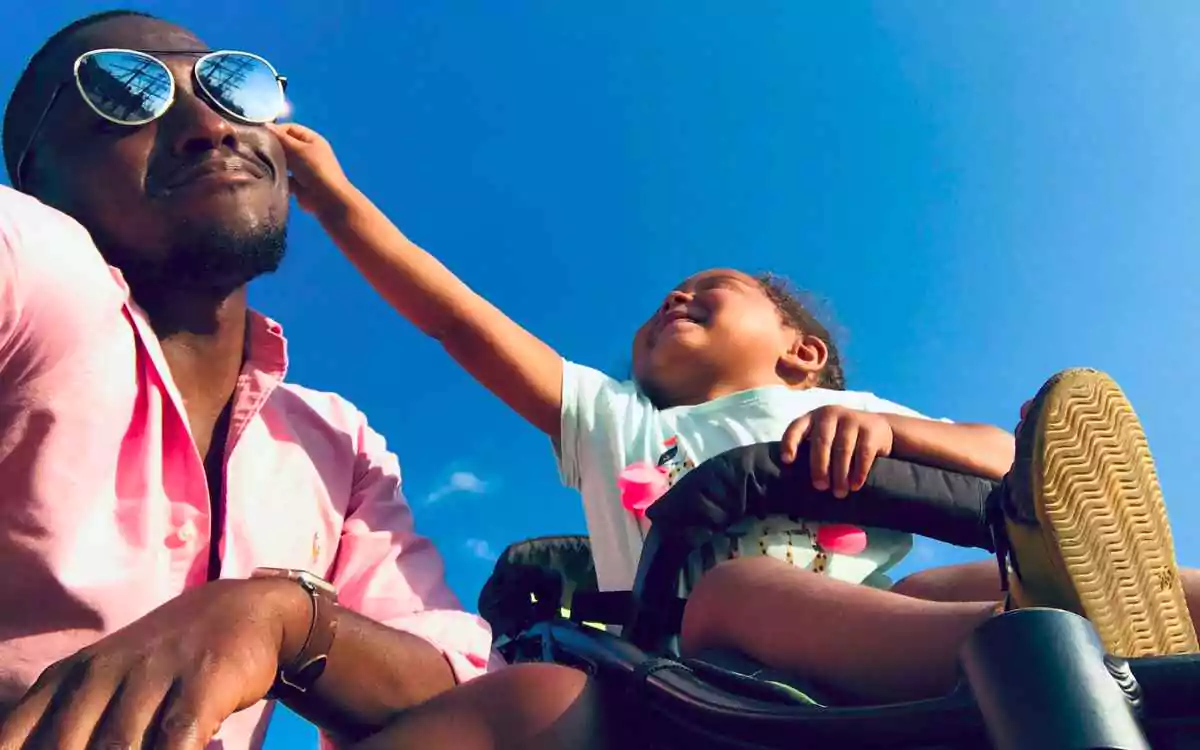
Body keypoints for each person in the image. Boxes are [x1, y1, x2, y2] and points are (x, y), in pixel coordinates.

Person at [270, 121, 1200, 707]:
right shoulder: (612, 416)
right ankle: (1052, 650)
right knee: (739, 592)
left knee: (945, 581)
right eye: (664, 300)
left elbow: (1005, 458)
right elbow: (454, 322)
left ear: (802, 353)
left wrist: (898, 433)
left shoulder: (844, 405)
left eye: (708, 291)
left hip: (872, 622)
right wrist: (340, 203)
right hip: (696, 656)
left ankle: (1119, 615)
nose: (675, 296)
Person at [0, 10, 550, 749]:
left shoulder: (336, 442)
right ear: (35, 178)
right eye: (124, 94)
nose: (209, 124)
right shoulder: (34, 267)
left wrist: (281, 617)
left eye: (232, 90)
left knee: (556, 705)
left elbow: (455, 686)